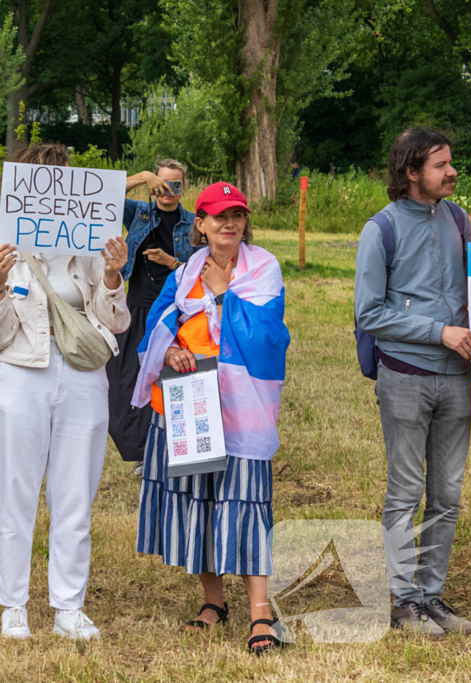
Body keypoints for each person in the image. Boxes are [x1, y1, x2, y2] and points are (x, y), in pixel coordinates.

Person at [0, 142, 130, 640]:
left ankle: (68, 606)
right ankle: (14, 604)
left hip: (83, 376)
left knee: (75, 496)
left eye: (61, 180)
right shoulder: (0, 256)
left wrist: (111, 278)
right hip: (20, 376)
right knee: (15, 494)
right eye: (43, 180)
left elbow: (115, 323)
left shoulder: (91, 251)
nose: (53, 192)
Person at [132, 182, 290, 654]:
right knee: (197, 498)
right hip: (189, 399)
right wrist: (172, 350)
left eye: (237, 215)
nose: (229, 223)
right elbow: (158, 325)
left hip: (242, 407)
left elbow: (270, 338)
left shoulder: (263, 269)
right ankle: (213, 601)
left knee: (245, 500)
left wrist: (223, 298)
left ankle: (260, 612)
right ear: (199, 223)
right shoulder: (185, 273)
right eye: (219, 216)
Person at [354, 127, 471, 637]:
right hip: (406, 376)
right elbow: (369, 313)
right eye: (439, 165)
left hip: (460, 380)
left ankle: (433, 598)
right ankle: (405, 604)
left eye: (451, 162)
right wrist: (438, 331)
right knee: (405, 493)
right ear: (411, 173)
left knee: (448, 494)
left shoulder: (458, 218)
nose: (451, 171)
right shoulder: (379, 229)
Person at [108, 160, 197, 469]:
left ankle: (165, 452)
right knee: (125, 379)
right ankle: (139, 450)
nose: (167, 190)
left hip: (172, 312)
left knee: (168, 380)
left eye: (175, 184)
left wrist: (170, 261)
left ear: (183, 188)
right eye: (161, 183)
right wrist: (142, 177)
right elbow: (106, 195)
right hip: (135, 307)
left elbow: (199, 271)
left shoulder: (193, 223)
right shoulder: (139, 213)